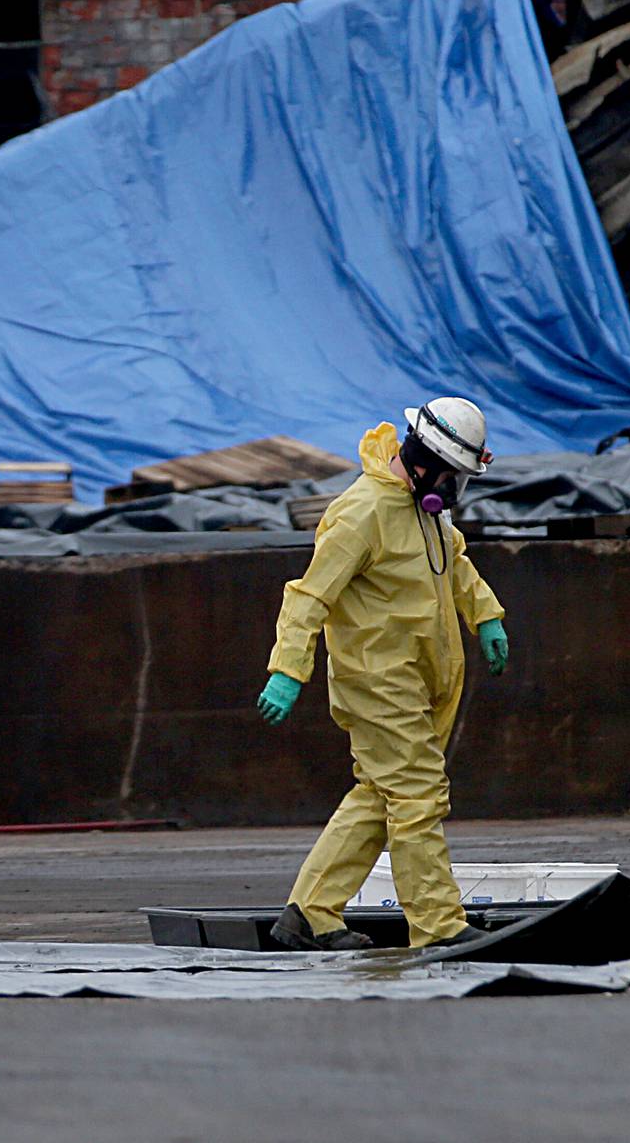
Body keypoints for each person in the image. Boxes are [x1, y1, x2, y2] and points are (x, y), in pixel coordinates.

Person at [256, 398, 509, 951]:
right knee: (418, 795)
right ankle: (438, 925)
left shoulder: (425, 511)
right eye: (452, 477)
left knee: (379, 794)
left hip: (416, 681)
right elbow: (308, 596)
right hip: (378, 684)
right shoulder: (361, 512)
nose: (455, 491)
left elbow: (455, 565)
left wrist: (485, 615)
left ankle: (309, 912)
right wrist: (288, 669)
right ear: (423, 462)